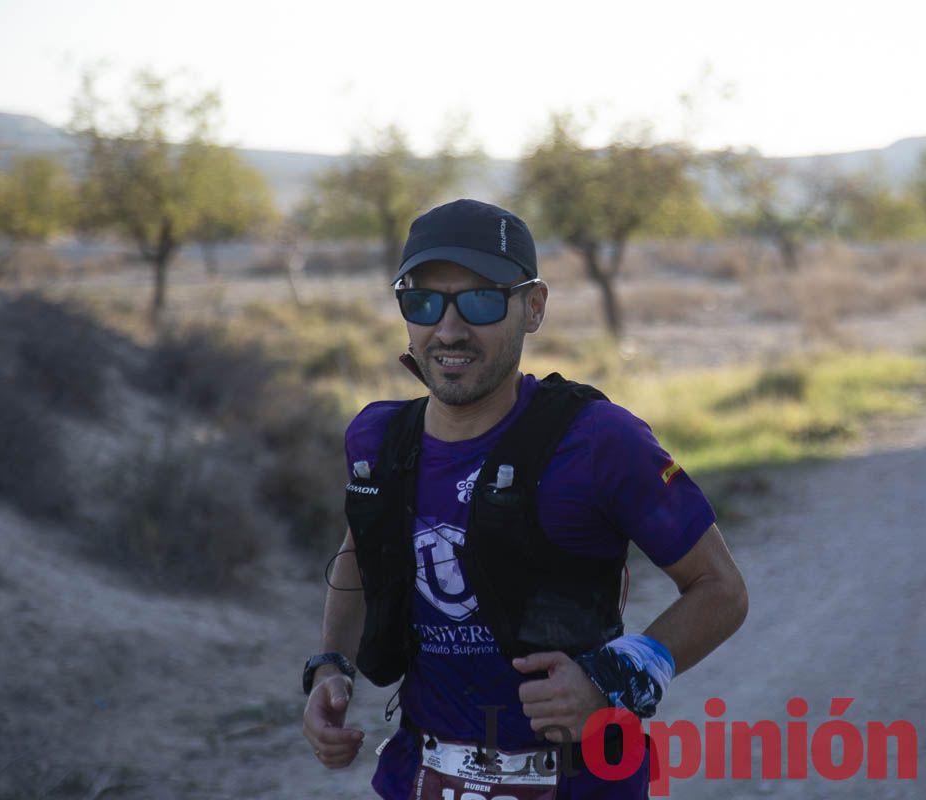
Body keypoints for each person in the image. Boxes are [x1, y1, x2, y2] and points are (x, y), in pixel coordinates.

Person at [301, 198, 748, 799]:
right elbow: (359, 550)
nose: (449, 329)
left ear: (533, 307)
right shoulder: (378, 440)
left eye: (482, 300)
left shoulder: (599, 441)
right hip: (421, 777)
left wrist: (610, 678)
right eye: (425, 301)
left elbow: (721, 590)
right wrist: (331, 666)